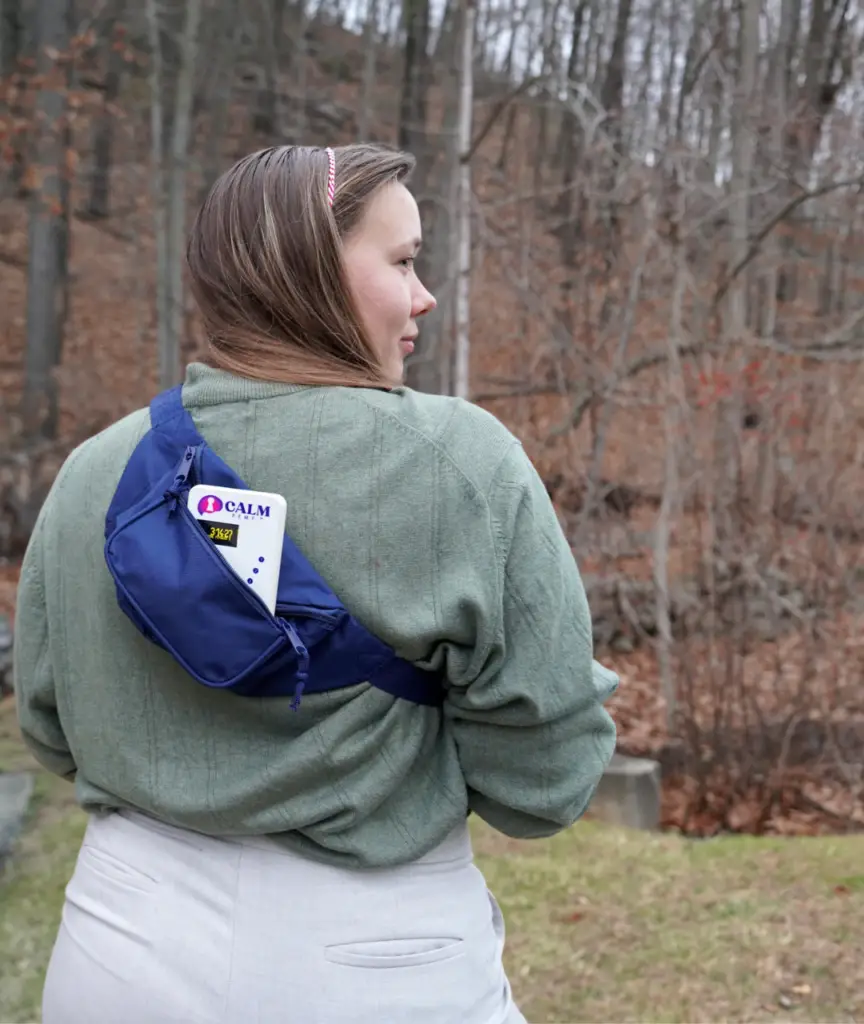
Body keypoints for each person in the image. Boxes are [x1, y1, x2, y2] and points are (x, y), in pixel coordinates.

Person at [14, 143, 619, 1024]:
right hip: (375, 963)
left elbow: (47, 722)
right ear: (305, 272)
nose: (425, 295)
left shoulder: (91, 473)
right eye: (404, 261)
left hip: (119, 945)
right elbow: (546, 783)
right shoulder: (461, 463)